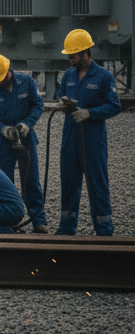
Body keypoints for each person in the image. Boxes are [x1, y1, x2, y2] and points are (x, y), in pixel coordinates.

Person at [55, 29, 122, 236]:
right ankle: (66, 229)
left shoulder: (103, 76)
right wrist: (65, 104)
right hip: (70, 139)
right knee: (68, 184)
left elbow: (114, 106)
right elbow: (61, 95)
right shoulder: (68, 75)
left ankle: (104, 231)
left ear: (86, 54)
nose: (69, 59)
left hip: (93, 141)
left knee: (97, 186)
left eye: (73, 55)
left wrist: (89, 113)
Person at [0, 53, 48, 233]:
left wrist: (27, 124)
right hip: (3, 141)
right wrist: (3, 129)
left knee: (31, 180)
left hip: (26, 139)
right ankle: (7, 220)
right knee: (4, 182)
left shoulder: (27, 82)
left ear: (8, 72)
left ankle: (38, 220)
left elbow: (37, 105)